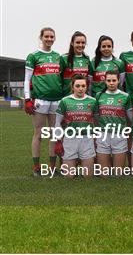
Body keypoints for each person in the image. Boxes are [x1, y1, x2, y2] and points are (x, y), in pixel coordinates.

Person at [24, 27, 63, 175]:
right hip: (40, 100)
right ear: (41, 37)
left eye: (52, 37)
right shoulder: (33, 56)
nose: (49, 39)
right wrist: (27, 99)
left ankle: (53, 167)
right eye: (46, 36)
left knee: (54, 134)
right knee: (39, 134)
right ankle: (36, 167)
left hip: (56, 100)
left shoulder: (58, 56)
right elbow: (27, 79)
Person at [55, 74, 97, 178]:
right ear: (72, 86)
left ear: (87, 87)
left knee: (88, 177)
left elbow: (97, 122)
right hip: (70, 139)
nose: (80, 89)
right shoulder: (64, 101)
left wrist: (97, 139)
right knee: (69, 177)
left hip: (87, 139)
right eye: (77, 86)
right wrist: (58, 141)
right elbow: (57, 123)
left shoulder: (93, 101)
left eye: (83, 86)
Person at [94, 71, 130, 174]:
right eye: (108, 80)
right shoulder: (99, 95)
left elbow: (129, 116)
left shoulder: (125, 96)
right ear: (105, 81)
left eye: (114, 80)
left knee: (118, 173)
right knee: (103, 174)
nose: (111, 83)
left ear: (118, 81)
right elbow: (96, 115)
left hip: (119, 135)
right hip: (103, 135)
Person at [60, 31, 91, 97]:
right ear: (72, 43)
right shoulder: (64, 58)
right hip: (67, 98)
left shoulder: (87, 59)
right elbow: (58, 79)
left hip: (83, 97)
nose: (80, 45)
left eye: (83, 43)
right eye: (77, 42)